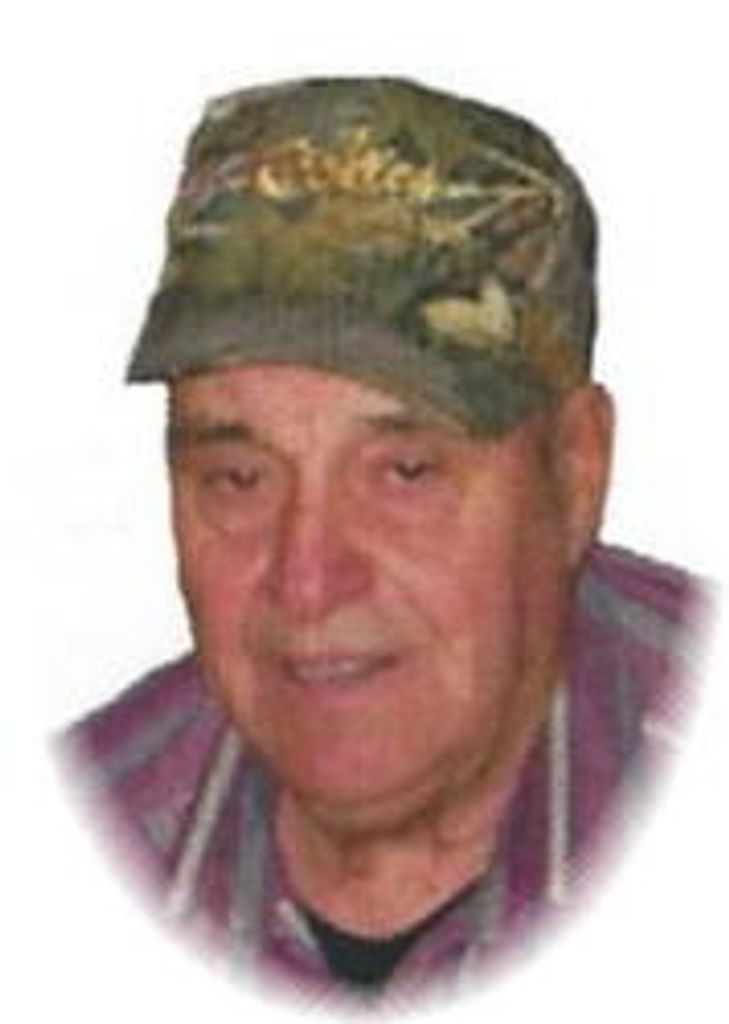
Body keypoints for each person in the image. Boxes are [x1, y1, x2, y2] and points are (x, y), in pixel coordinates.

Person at [59, 76, 703, 1007]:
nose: (307, 581)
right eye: (238, 479)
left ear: (573, 473)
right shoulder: (68, 844)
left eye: (404, 472)